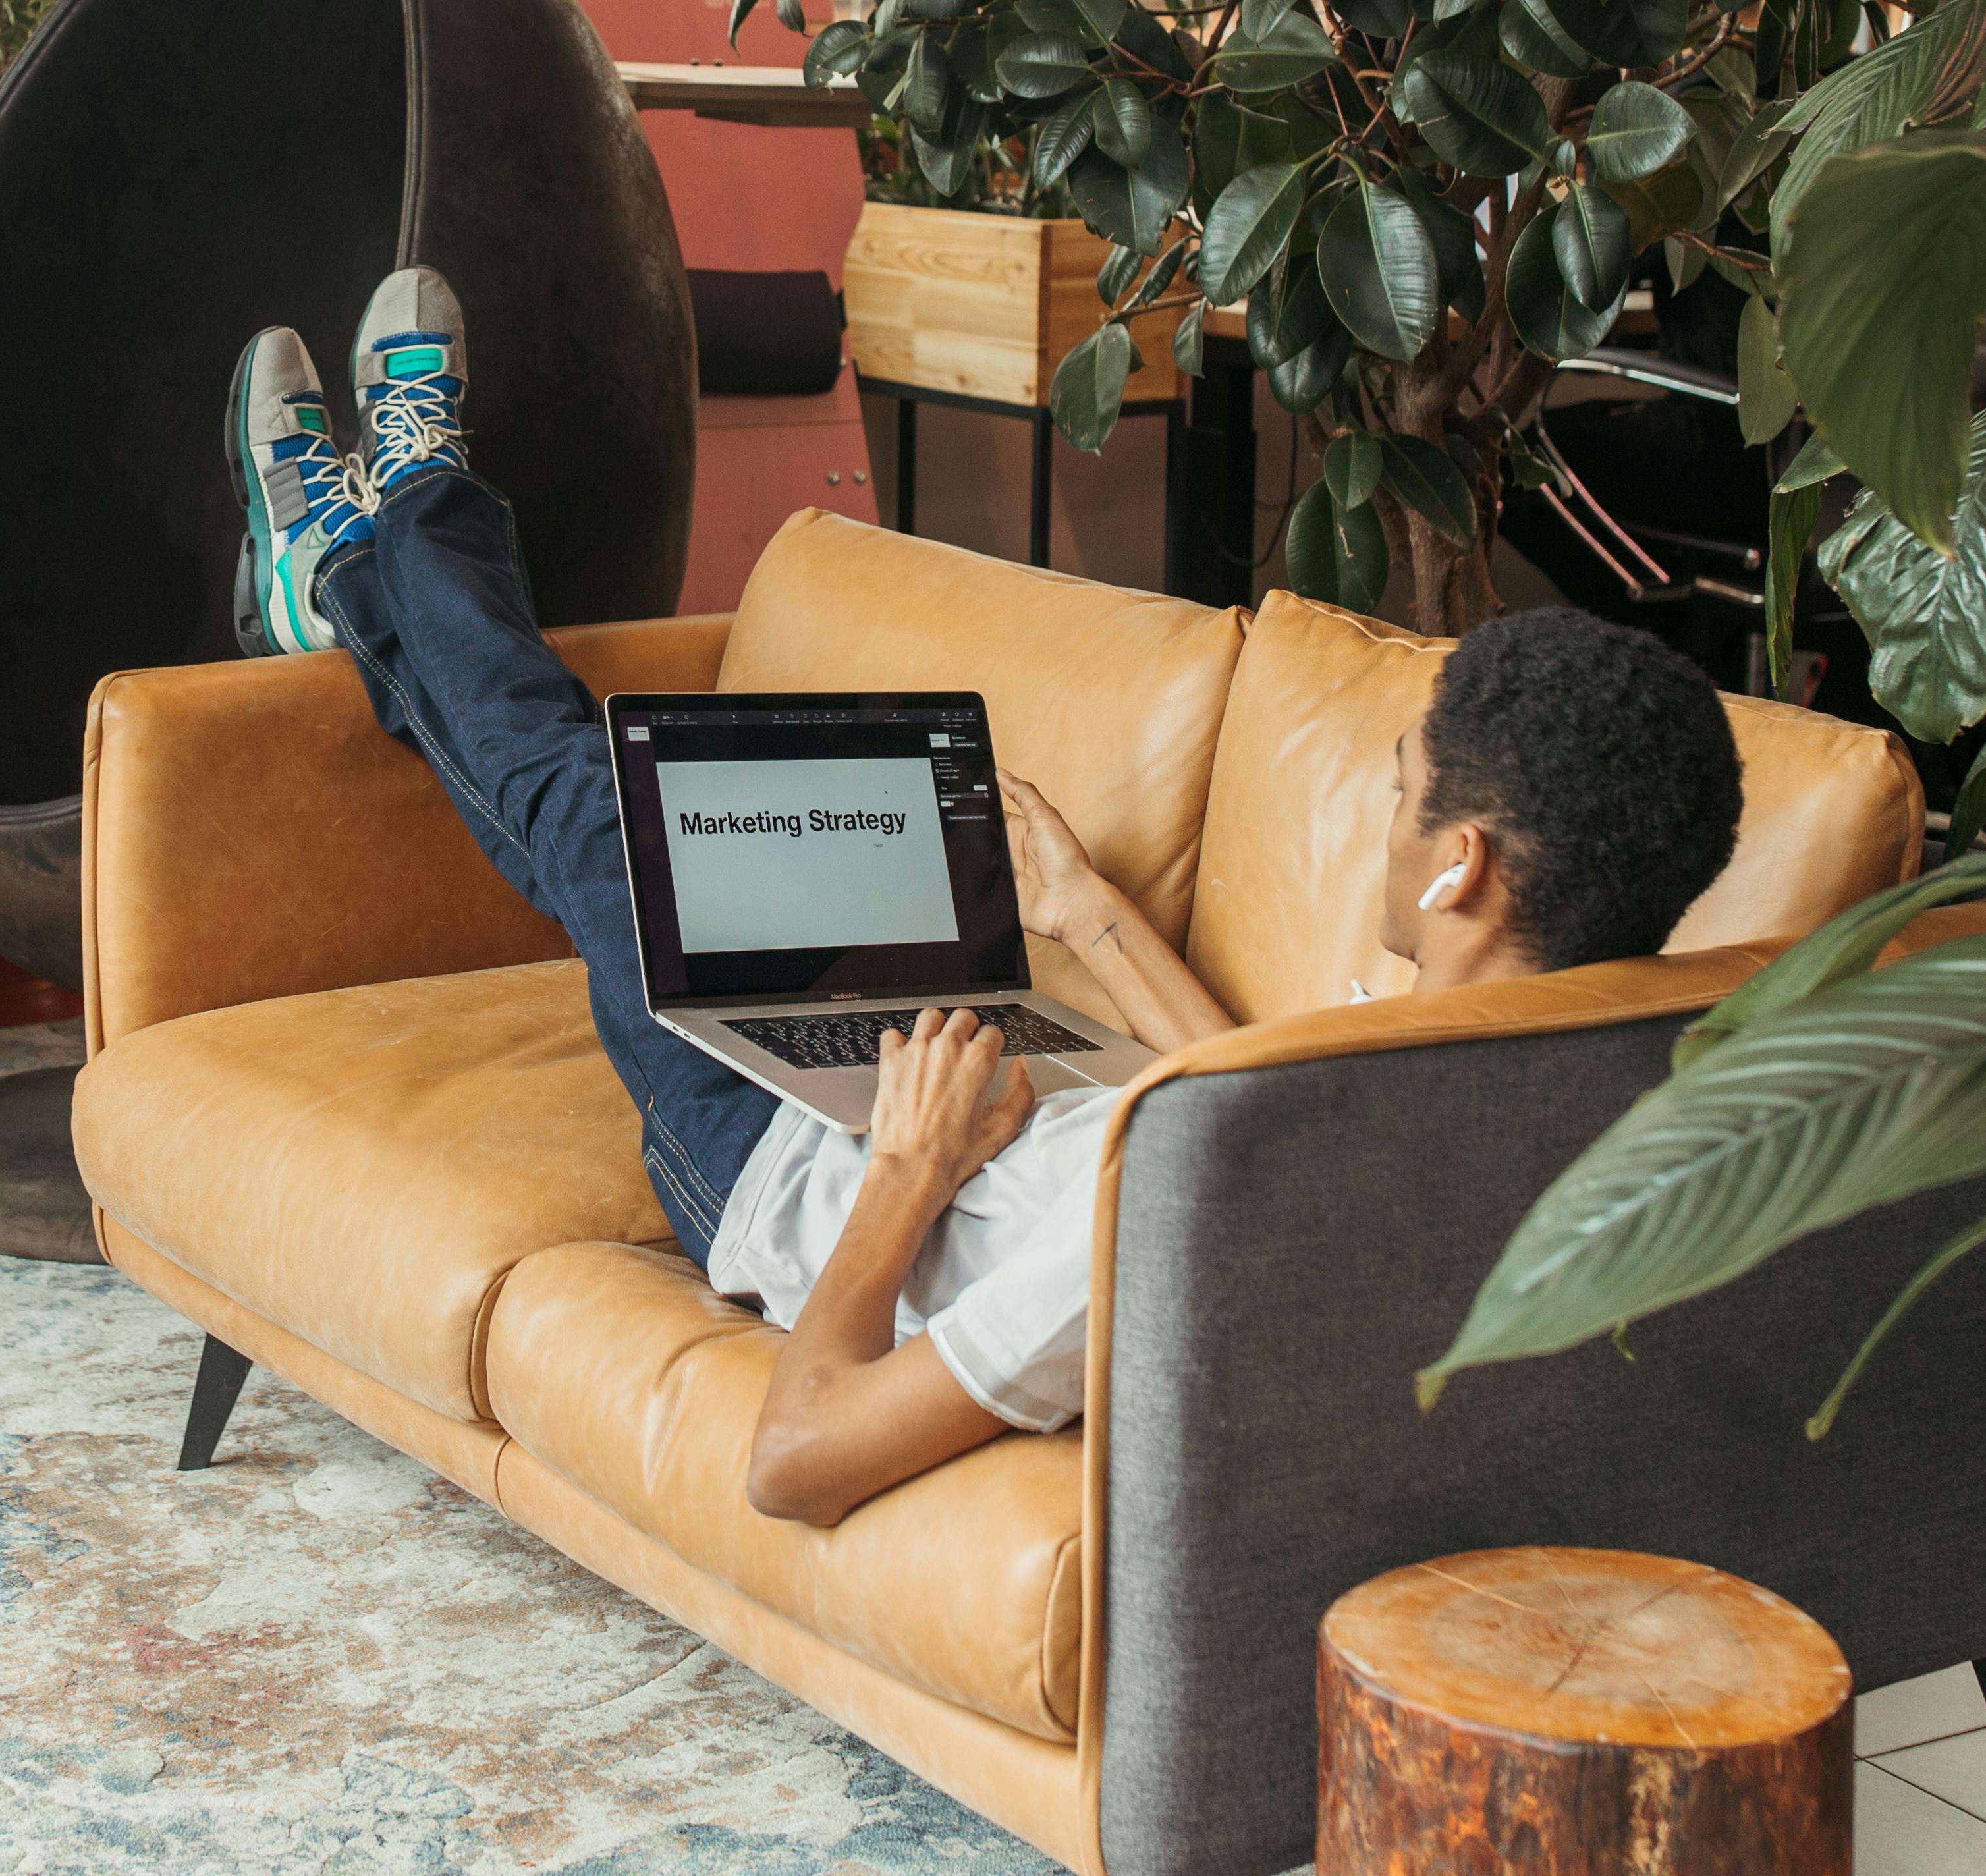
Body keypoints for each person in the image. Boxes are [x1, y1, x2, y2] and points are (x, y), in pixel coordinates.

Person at [232, 265, 1748, 1528]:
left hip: (787, 1160)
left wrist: (909, 1160)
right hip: (980, 1071)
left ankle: (390, 529)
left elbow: (797, 1461)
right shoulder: (1488, 1075)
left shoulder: (1188, 1225)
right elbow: (1234, 1087)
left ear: (1464, 862)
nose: (1383, 813)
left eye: (1407, 785)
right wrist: (1084, 911)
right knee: (609, 816)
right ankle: (358, 556)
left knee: (585, 809)